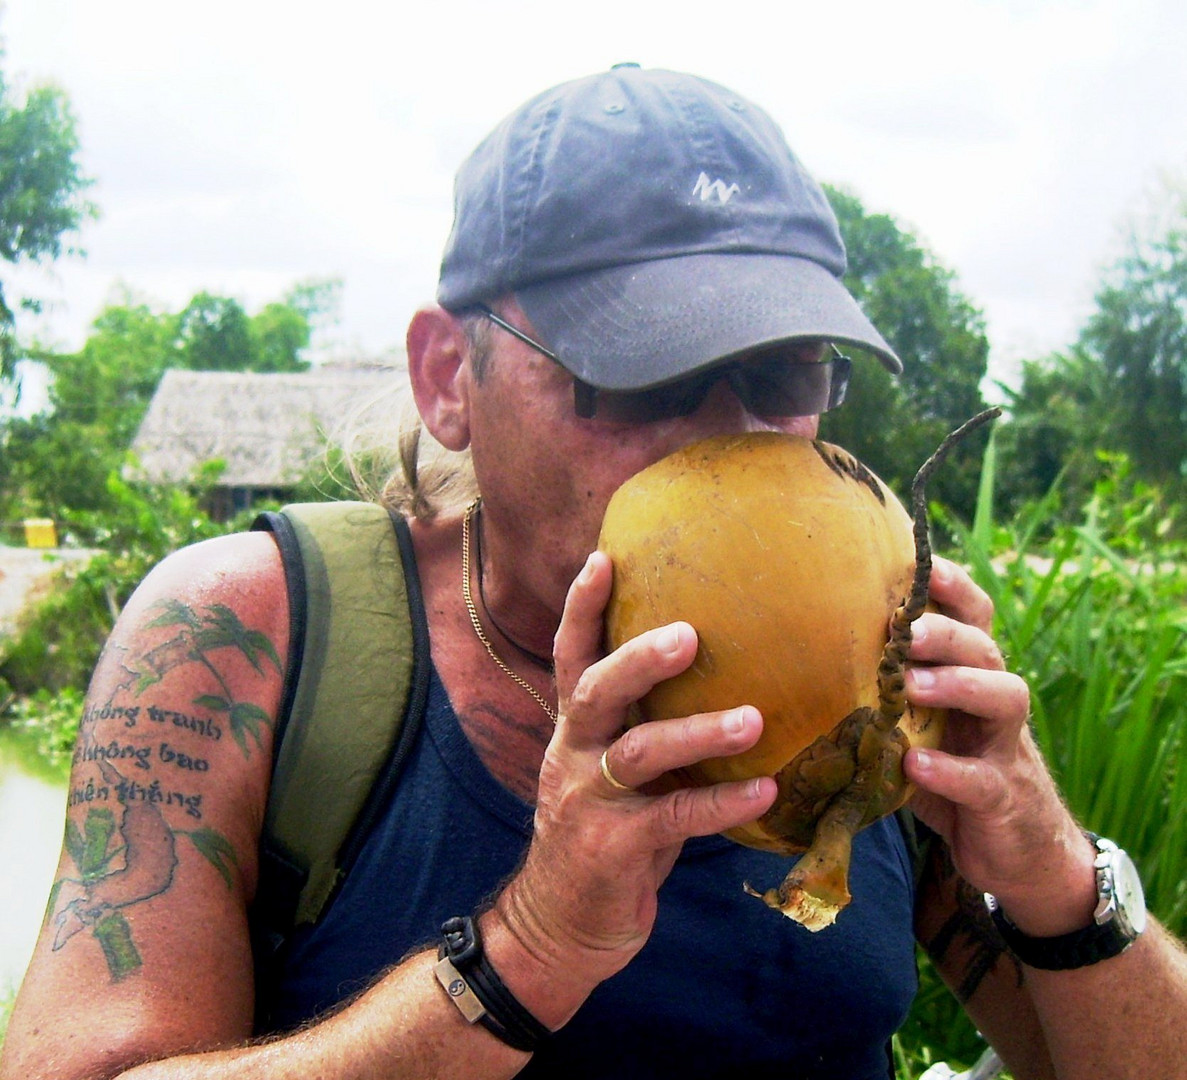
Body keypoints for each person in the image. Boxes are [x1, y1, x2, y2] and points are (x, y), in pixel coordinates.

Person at [2, 65, 1185, 1080]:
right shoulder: (247, 640)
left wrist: (1050, 875)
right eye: (644, 373)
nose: (728, 432)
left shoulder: (875, 650)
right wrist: (524, 953)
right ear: (446, 379)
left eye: (783, 373)